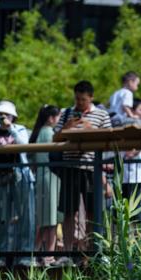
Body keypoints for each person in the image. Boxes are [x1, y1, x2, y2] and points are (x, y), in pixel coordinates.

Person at [54, 81, 112, 252]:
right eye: (77, 99)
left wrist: (89, 129)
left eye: (83, 100)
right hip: (70, 167)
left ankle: (92, 249)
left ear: (91, 98)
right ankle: (68, 251)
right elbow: (55, 139)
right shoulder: (66, 114)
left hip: (91, 169)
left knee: (92, 212)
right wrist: (66, 128)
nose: (79, 103)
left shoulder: (101, 115)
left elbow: (108, 140)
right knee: (69, 212)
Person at [0, 100, 34, 261]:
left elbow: (24, 144)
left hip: (20, 176)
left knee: (26, 217)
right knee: (2, 218)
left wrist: (10, 127)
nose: (1, 118)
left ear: (12, 117)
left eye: (5, 115)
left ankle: (25, 255)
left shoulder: (19, 129)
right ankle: (0, 255)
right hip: (0, 178)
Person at [30, 104, 62, 261]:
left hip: (41, 177)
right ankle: (49, 254)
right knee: (51, 219)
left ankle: (35, 252)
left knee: (43, 219)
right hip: (52, 176)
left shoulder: (37, 133)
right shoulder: (50, 133)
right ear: (51, 118)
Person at [121, 98, 141, 228]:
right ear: (132, 110)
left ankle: (137, 239)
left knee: (137, 210)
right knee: (129, 210)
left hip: (137, 175)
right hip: (128, 176)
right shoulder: (125, 124)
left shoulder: (138, 126)